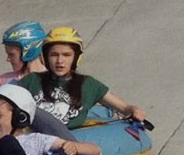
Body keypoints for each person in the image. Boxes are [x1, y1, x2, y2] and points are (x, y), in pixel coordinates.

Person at [19, 26, 149, 129]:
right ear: (45, 57)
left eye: (66, 55)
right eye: (54, 55)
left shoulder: (88, 85)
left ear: (76, 58)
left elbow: (124, 108)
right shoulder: (31, 81)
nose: (60, 61)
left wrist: (134, 110)